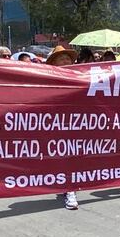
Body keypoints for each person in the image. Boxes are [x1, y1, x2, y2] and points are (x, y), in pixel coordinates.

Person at [45, 45, 81, 210]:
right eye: (62, 58)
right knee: (63, 154)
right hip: (57, 123)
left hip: (78, 123)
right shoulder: (47, 79)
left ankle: (67, 187)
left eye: (68, 58)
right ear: (54, 62)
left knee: (71, 155)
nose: (66, 60)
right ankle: (67, 188)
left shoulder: (81, 76)